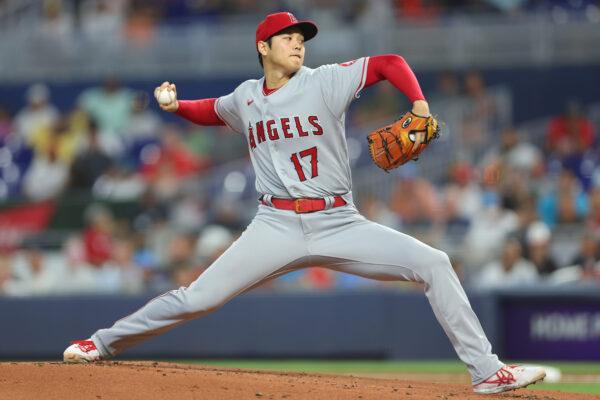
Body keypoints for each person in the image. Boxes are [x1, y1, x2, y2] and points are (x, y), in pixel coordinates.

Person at [63, 11, 545, 394]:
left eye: (302, 37)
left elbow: (389, 62)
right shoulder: (246, 97)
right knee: (198, 297)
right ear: (263, 47)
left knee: (435, 263)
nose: (298, 43)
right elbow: (211, 112)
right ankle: (99, 343)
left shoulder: (324, 81)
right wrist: (175, 107)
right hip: (275, 224)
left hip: (339, 220)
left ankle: (486, 372)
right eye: (288, 37)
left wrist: (418, 105)